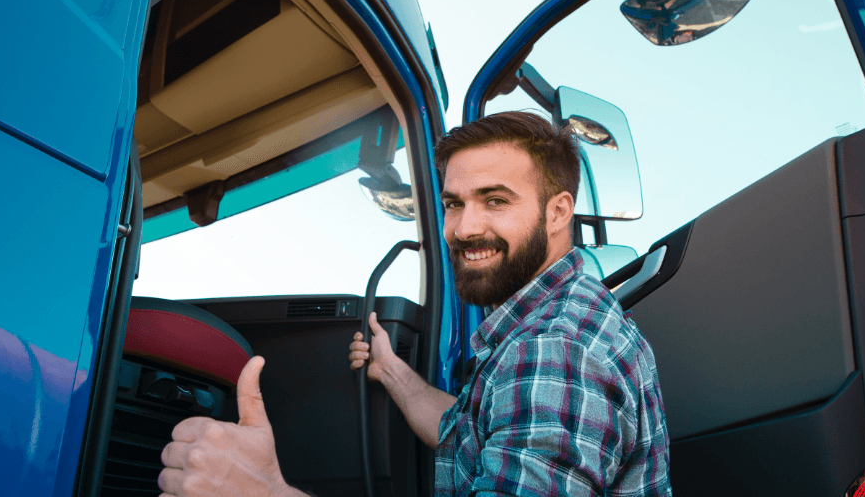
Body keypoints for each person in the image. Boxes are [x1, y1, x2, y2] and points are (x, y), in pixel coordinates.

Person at [158, 111, 670, 496]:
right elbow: (465, 432)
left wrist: (266, 492)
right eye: (454, 204)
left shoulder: (553, 349)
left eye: (496, 200)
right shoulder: (550, 322)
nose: (465, 228)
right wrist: (391, 370)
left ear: (558, 212)